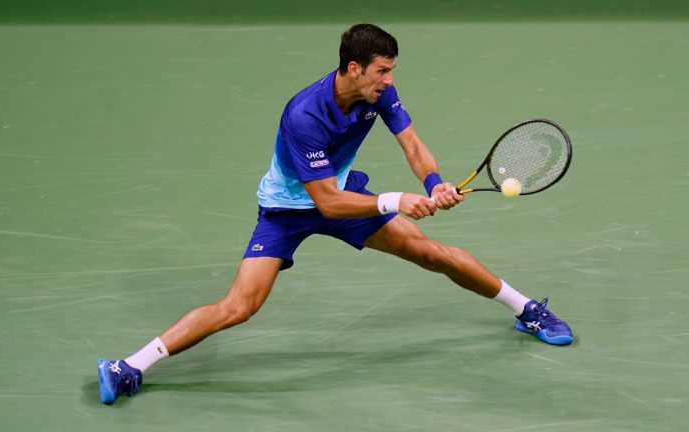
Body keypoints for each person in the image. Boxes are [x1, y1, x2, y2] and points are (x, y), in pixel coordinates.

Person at [96, 23, 573, 405]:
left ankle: (526, 309)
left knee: (432, 254)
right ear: (353, 68)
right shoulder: (304, 115)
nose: (389, 80)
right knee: (238, 307)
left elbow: (411, 142)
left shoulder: (379, 94)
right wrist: (395, 200)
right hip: (288, 211)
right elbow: (325, 203)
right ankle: (130, 366)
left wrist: (433, 183)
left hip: (344, 195)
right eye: (382, 71)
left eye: (391, 71)